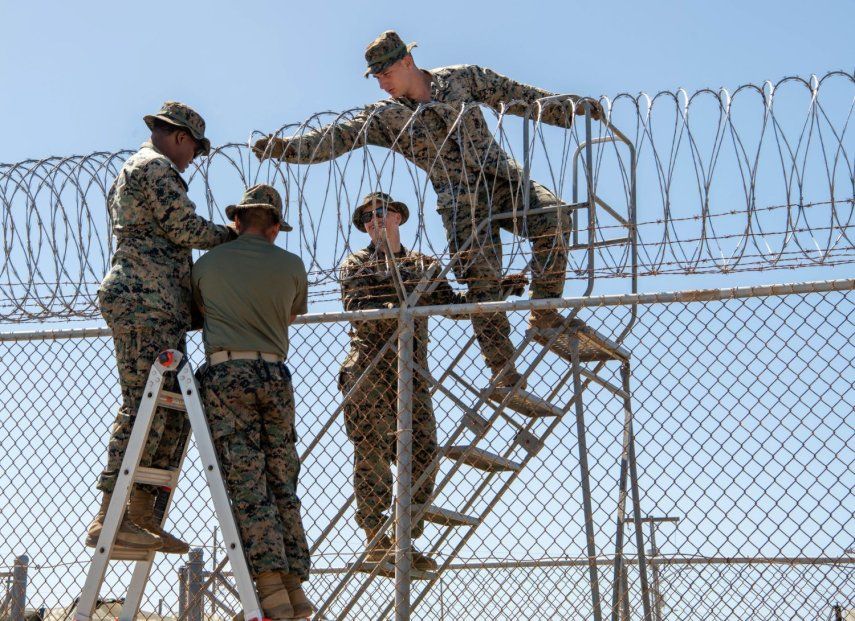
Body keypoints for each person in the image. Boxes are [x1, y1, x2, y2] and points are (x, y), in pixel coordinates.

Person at [254, 30, 602, 389]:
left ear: (407, 62)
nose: (382, 85)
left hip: (501, 180)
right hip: (461, 204)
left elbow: (516, 96)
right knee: (481, 280)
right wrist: (286, 149)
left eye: (386, 74)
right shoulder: (386, 117)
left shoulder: (463, 79)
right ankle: (502, 369)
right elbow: (336, 138)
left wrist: (568, 107)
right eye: (376, 78)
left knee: (555, 215)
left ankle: (544, 312)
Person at [339, 192, 526, 572]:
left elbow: (449, 304)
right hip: (369, 372)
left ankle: (403, 540)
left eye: (380, 213)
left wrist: (496, 289)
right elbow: (360, 310)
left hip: (411, 373)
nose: (374, 221)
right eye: (366, 218)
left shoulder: (422, 264)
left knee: (423, 455)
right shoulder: (356, 263)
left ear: (397, 217)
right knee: (372, 455)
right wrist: (407, 308)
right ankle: (377, 541)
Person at [87, 101, 234, 553]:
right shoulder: (157, 169)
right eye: (194, 149)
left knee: (169, 408)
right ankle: (111, 514)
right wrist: (234, 236)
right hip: (142, 300)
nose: (193, 159)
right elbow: (182, 226)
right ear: (181, 137)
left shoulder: (145, 168)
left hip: (156, 304)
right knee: (143, 404)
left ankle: (141, 514)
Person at [192, 184, 313, 619]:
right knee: (283, 477)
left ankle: (270, 587)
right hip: (276, 374)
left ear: (236, 221)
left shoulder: (208, 263)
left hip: (227, 374)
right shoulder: (292, 265)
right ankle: (295, 584)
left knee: (247, 480)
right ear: (277, 226)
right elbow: (291, 313)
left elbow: (200, 311)